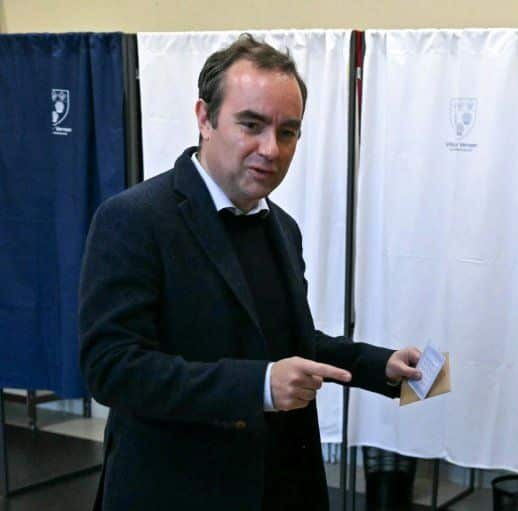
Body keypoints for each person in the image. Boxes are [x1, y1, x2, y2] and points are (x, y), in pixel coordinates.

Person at [79, 34, 421, 511]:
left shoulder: (283, 227)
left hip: (283, 484)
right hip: (178, 489)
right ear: (204, 118)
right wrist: (258, 386)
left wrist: (376, 366)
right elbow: (112, 368)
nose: (271, 149)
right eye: (251, 125)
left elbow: (280, 340)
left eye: (288, 132)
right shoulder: (134, 219)